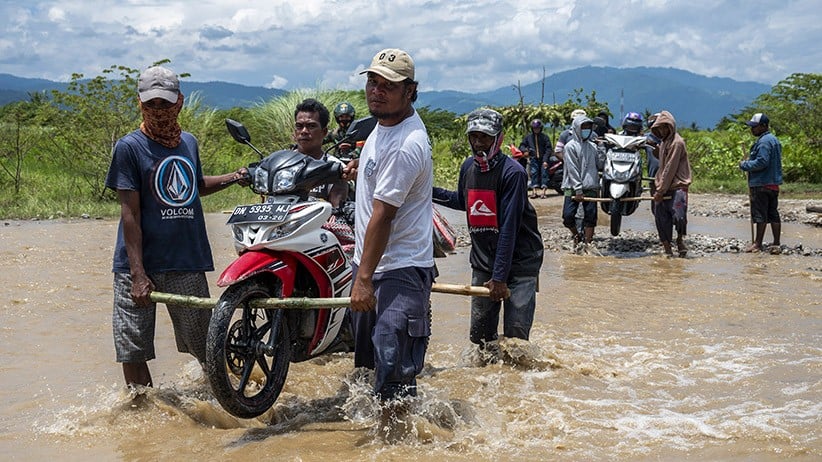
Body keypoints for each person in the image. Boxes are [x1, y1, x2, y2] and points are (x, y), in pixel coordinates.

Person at [105, 65, 248, 388]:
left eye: (165, 104)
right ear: (140, 103)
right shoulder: (129, 148)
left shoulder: (189, 143)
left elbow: (194, 185)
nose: (159, 111)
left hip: (185, 261)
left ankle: (224, 401)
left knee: (206, 346)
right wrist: (139, 274)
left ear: (179, 102)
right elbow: (130, 214)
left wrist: (234, 177)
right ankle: (142, 415)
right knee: (133, 349)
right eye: (151, 104)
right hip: (138, 267)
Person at [348, 48, 436, 409]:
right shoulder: (381, 128)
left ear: (410, 91)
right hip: (369, 265)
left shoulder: (407, 143)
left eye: (389, 85)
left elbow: (383, 215)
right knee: (369, 369)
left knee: (394, 374)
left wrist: (364, 279)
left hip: (398, 270)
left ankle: (398, 444)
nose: (377, 91)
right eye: (373, 82)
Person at [433, 109, 543, 357]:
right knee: (481, 338)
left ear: (499, 139)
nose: (479, 143)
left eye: (485, 137)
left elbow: (509, 229)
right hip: (484, 260)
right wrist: (425, 191)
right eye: (474, 137)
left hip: (520, 262)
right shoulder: (468, 168)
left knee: (517, 343)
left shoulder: (512, 173)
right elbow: (462, 201)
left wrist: (500, 278)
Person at [293, 98, 349, 208]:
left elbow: (335, 212)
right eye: (299, 126)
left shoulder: (336, 168)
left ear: (324, 132)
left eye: (311, 126)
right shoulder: (281, 163)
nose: (304, 131)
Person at [650, 110, 692, 257]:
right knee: (661, 218)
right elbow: (662, 160)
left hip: (677, 186)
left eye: (664, 127)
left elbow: (670, 168)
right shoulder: (664, 142)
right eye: (659, 128)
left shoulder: (677, 143)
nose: (661, 131)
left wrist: (660, 191)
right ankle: (667, 247)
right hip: (663, 184)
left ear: (670, 126)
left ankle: (680, 240)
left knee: (679, 217)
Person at [739, 113, 783, 253]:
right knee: (773, 213)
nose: (752, 129)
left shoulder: (763, 142)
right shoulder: (774, 140)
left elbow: (762, 162)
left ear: (763, 126)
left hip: (761, 183)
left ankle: (757, 244)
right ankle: (776, 243)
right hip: (773, 184)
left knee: (760, 215)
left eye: (755, 127)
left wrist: (745, 165)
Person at [561, 114, 606, 249]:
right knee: (568, 217)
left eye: (589, 127)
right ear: (576, 128)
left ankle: (588, 244)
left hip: (591, 186)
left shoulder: (593, 146)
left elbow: (600, 164)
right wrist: (579, 190)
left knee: (590, 217)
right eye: (584, 127)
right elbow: (572, 170)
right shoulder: (570, 147)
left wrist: (602, 148)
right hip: (572, 187)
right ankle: (576, 235)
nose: (587, 130)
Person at [519, 119, 553, 198]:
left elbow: (548, 149)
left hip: (544, 159)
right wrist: (525, 151)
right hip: (533, 159)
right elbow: (522, 145)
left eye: (537, 128)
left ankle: (543, 192)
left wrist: (545, 160)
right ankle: (534, 192)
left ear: (540, 128)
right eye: (534, 128)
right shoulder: (528, 137)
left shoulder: (545, 137)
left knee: (544, 173)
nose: (536, 130)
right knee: (533, 173)